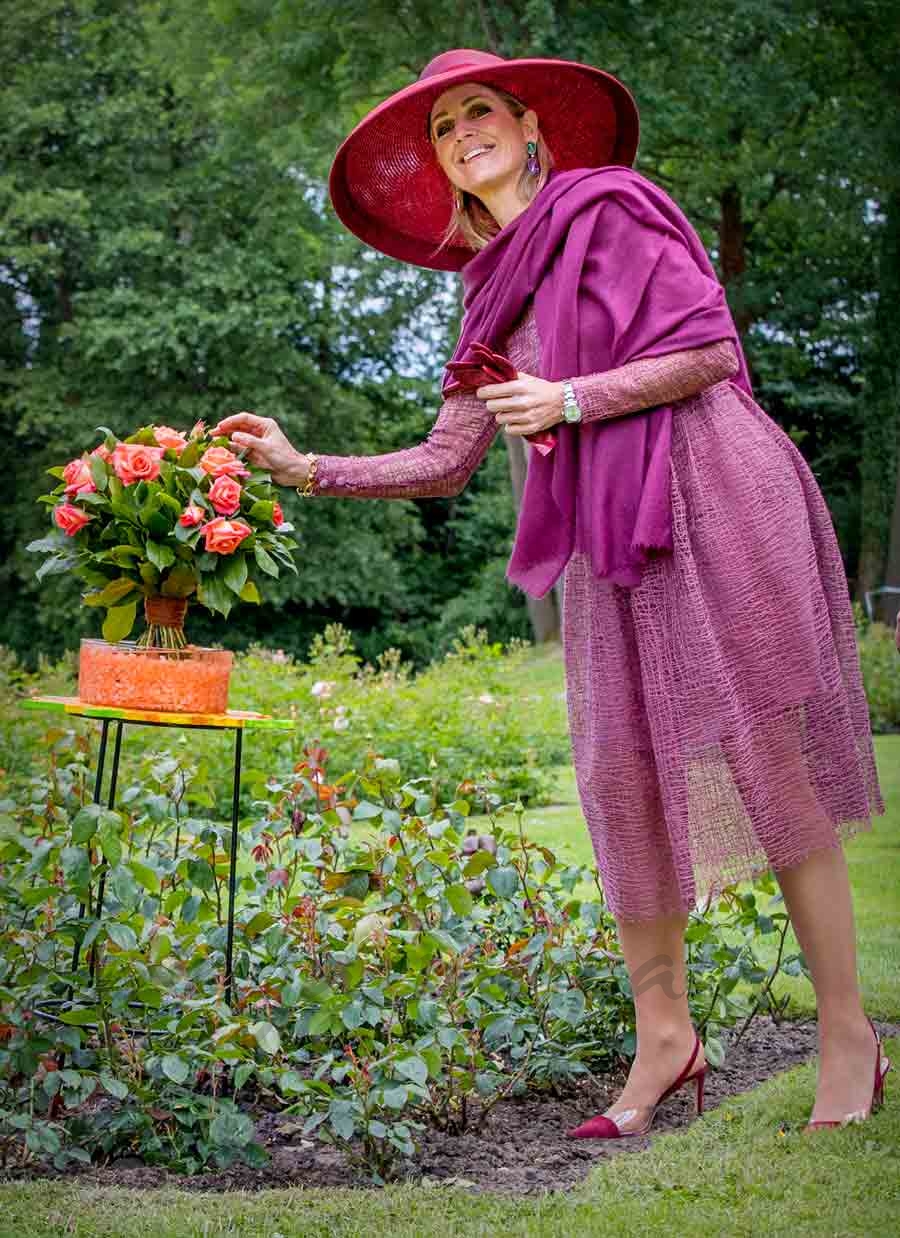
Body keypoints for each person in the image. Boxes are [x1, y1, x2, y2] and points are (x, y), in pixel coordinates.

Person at [215, 49, 890, 1138]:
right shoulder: (488, 288)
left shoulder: (610, 207)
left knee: (770, 763)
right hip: (606, 547)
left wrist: (573, 396)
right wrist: (305, 469)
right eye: (441, 128)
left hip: (711, 491)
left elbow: (710, 350)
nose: (460, 134)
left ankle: (850, 1033)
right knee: (616, 778)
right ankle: (665, 1037)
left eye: (478, 111)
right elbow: (445, 458)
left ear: (531, 127)